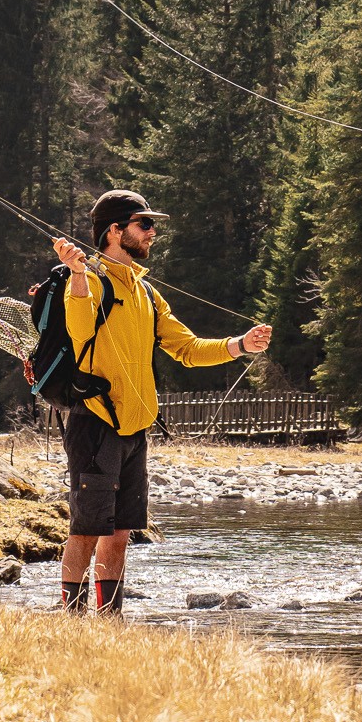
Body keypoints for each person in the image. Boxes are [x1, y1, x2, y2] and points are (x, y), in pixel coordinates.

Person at [51, 188, 271, 614]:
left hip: (135, 428)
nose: (152, 233)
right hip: (95, 423)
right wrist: (76, 272)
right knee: (85, 529)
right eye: (144, 224)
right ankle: (72, 619)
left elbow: (187, 348)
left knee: (119, 532)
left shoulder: (147, 293)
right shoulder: (89, 280)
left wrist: (240, 345)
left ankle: (109, 617)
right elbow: (79, 329)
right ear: (115, 231)